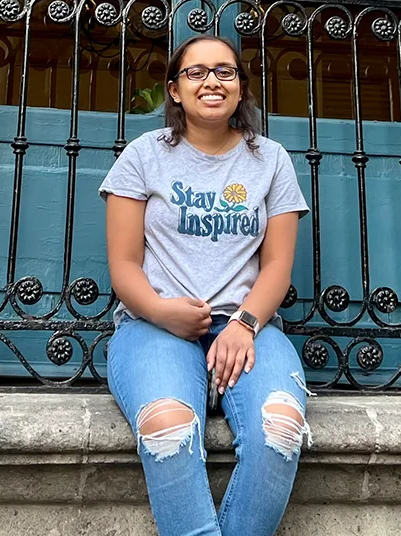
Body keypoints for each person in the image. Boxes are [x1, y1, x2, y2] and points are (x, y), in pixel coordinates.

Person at [100, 34, 311, 536]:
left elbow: (278, 265)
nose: (211, 81)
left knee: (280, 430)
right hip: (154, 326)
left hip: (248, 327)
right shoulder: (143, 155)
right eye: (196, 72)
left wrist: (245, 322)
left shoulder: (271, 160)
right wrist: (159, 310)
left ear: (240, 88)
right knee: (166, 427)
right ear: (174, 90)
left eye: (225, 71)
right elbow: (124, 265)